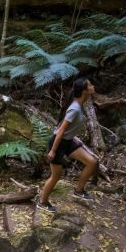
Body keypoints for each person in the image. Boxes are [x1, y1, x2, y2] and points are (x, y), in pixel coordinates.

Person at [37, 77, 99, 213]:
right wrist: (53, 151)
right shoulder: (75, 109)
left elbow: (67, 131)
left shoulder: (79, 104)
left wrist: (76, 139)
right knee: (56, 176)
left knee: (92, 162)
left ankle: (79, 190)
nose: (93, 86)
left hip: (68, 141)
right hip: (58, 144)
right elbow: (61, 131)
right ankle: (42, 202)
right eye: (90, 85)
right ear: (84, 91)